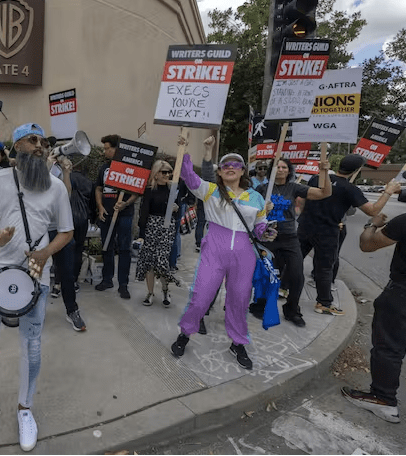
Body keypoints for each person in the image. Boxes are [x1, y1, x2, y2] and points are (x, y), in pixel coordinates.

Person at [0, 123, 73, 452]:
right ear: (17, 146)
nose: (40, 145)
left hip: (37, 273)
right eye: (32, 140)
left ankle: (25, 409)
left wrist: (45, 252)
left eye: (43, 141)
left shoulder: (56, 188)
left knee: (32, 345)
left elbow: (66, 232)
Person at [170, 138, 271, 370]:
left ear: (243, 171)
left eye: (236, 164)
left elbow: (260, 227)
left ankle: (238, 342)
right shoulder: (210, 190)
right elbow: (188, 175)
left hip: (244, 253)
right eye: (226, 165)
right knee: (201, 296)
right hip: (215, 247)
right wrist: (185, 149)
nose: (230, 167)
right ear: (220, 171)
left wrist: (268, 231)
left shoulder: (256, 198)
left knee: (239, 300)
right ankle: (185, 333)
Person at [298, 154, 401, 316]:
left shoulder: (317, 179)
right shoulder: (350, 189)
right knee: (325, 268)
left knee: (295, 258)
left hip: (305, 226)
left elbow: (303, 201)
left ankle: (283, 288)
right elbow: (372, 210)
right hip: (327, 231)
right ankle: (323, 303)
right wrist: (387, 192)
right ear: (357, 170)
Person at [251, 157, 332, 327]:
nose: (280, 169)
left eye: (283, 167)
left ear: (289, 171)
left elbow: (324, 193)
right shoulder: (262, 188)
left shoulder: (294, 187)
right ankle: (259, 305)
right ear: (271, 170)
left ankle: (292, 311)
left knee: (296, 276)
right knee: (265, 274)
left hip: (289, 237)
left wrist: (324, 171)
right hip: (267, 237)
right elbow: (250, 210)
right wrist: (261, 210)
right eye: (277, 167)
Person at [341, 210, 405, 423]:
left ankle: (383, 399)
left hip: (401, 295)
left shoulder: (403, 221)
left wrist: (372, 223)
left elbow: (367, 244)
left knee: (389, 346)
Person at [136, 159, 186, 307]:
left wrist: (176, 210)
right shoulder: (150, 190)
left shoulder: (174, 189)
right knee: (149, 261)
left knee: (161, 261)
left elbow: (180, 212)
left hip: (167, 228)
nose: (167, 175)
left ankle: (165, 289)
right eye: (164, 172)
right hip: (152, 227)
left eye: (169, 172)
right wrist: (142, 233)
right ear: (156, 174)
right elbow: (144, 212)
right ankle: (150, 293)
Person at [94, 134, 138, 298]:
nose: (105, 151)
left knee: (125, 248)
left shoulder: (130, 168)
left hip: (124, 214)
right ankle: (107, 279)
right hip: (106, 213)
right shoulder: (104, 168)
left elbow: (136, 192)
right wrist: (99, 206)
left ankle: (123, 285)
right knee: (107, 247)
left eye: (107, 148)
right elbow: (98, 188)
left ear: (117, 149)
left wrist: (126, 203)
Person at [48, 153, 86, 331]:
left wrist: (66, 172)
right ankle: (29, 309)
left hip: (60, 230)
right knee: (34, 271)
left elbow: (67, 193)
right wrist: (46, 167)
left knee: (68, 274)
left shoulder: (57, 171)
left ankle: (72, 310)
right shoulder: (32, 171)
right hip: (40, 231)